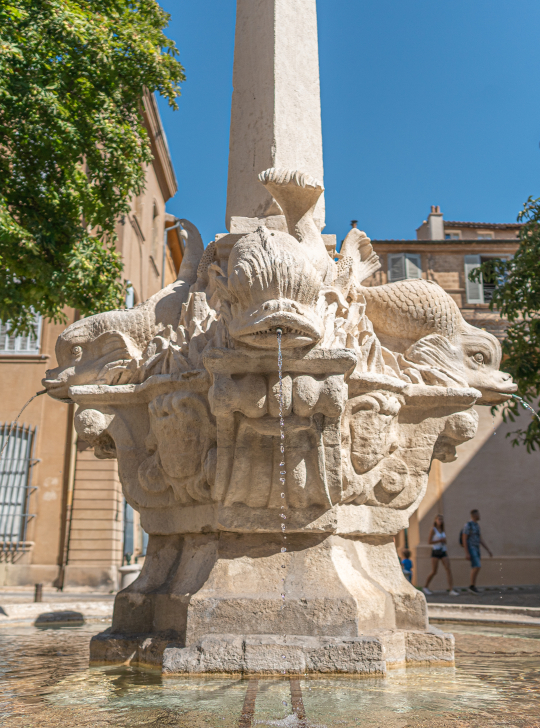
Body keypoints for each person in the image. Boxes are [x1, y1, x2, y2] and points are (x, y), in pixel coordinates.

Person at [422, 514, 459, 596]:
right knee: (434, 571)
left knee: (448, 569)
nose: (440, 521)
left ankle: (451, 590)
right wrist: (439, 540)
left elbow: (444, 540)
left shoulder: (442, 530)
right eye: (439, 519)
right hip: (435, 551)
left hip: (443, 551)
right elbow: (429, 542)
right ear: (436, 520)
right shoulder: (433, 530)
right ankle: (425, 587)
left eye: (441, 519)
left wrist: (444, 541)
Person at [463, 509, 492, 593]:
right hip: (471, 548)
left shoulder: (477, 525)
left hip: (477, 548)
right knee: (477, 566)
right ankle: (471, 586)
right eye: (478, 514)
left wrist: (488, 550)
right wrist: (467, 552)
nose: (479, 516)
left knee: (476, 566)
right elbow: (464, 538)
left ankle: (473, 585)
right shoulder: (468, 525)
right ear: (474, 515)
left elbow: (480, 539)